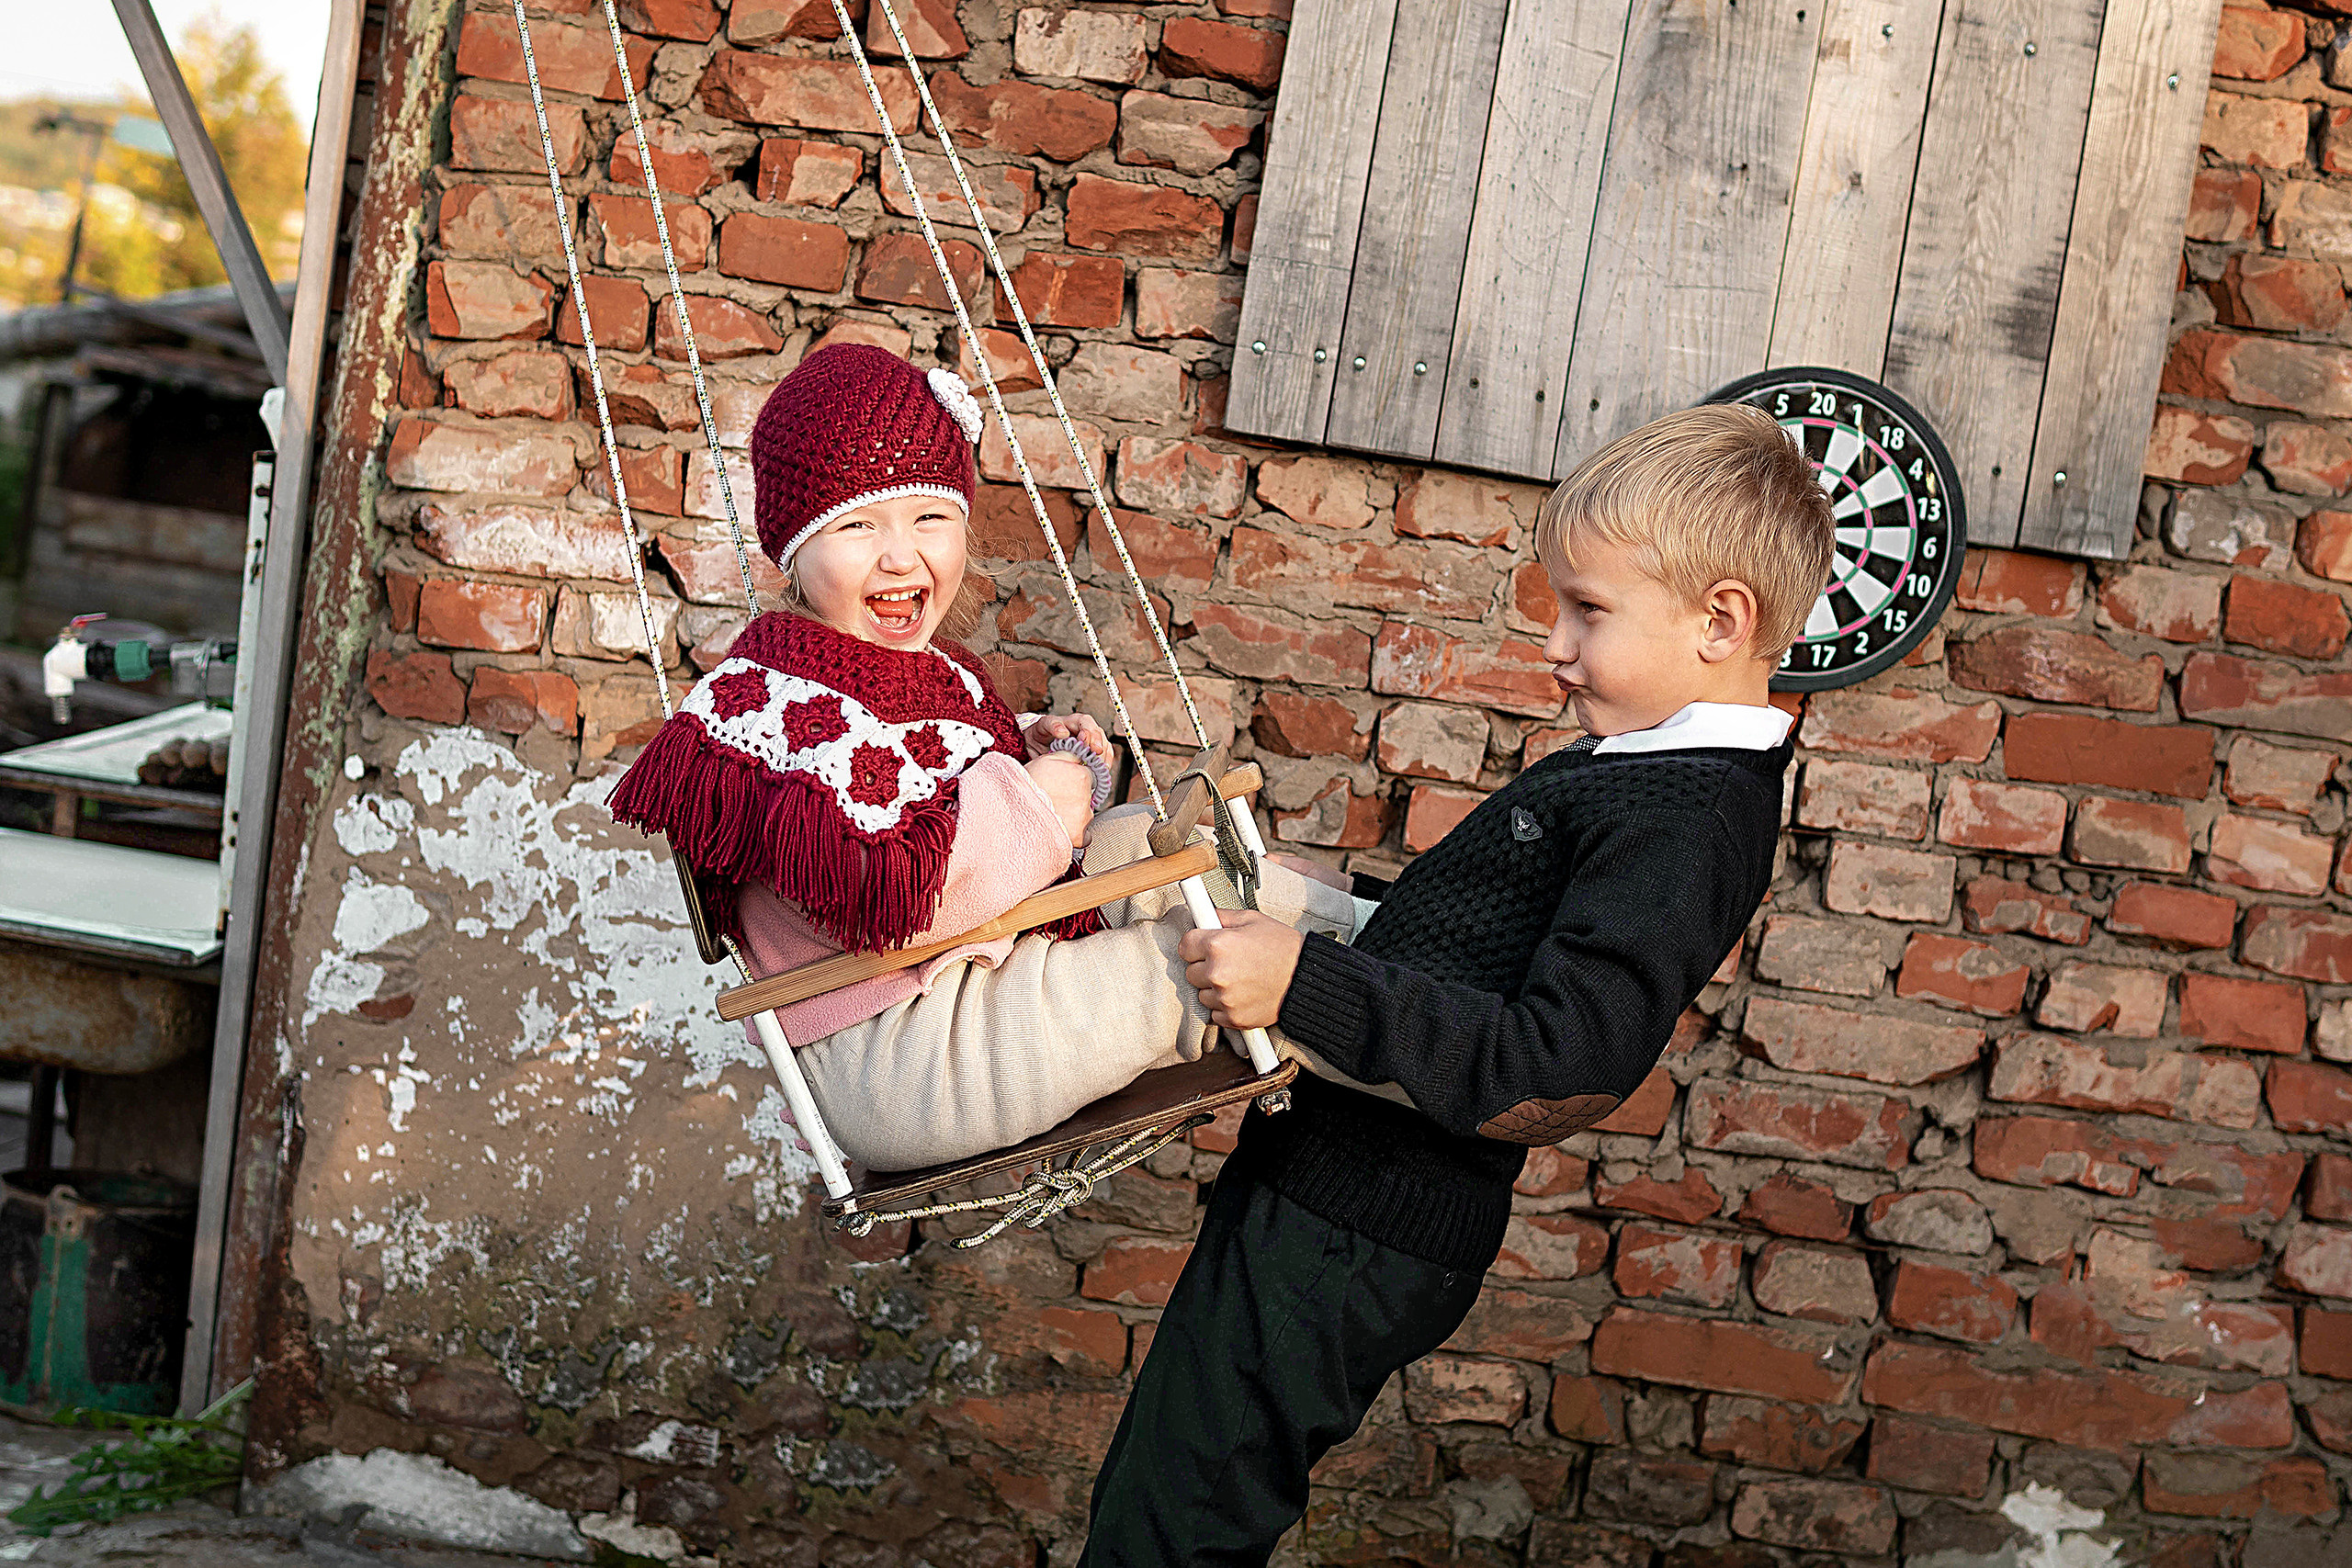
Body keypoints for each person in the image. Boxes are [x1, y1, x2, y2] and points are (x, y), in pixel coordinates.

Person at [1077, 401, 1838, 1564]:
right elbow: (1476, 949)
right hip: (1332, 1188)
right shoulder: (1641, 763)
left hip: (1360, 1223)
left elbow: (1560, 1064)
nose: (1556, 647)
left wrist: (1304, 984)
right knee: (1165, 1497)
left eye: (1588, 611)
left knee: (1173, 1528)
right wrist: (1322, 906)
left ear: (1717, 620)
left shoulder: (1685, 813)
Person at [608, 343, 1359, 1173]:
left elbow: (913, 765)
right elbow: (902, 894)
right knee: (1196, 959)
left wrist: (1025, 744)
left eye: (929, 516)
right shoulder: (773, 700)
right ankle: (1381, 994)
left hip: (968, 974)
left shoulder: (925, 671)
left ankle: (1364, 934)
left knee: (1135, 841)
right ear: (793, 549)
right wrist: (1037, 798)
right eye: (857, 524)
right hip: (898, 1049)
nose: (901, 554)